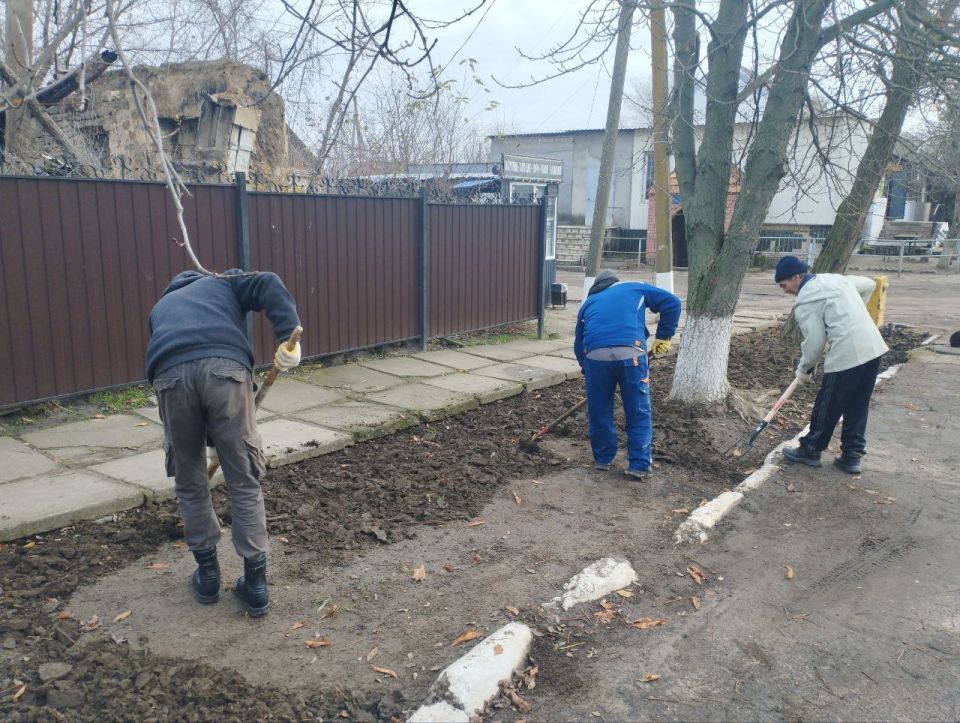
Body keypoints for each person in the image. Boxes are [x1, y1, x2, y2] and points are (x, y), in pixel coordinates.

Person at [146, 270, 301, 616]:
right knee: (244, 480)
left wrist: (209, 440)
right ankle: (256, 586)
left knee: (189, 482)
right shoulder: (223, 281)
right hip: (225, 370)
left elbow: (186, 367)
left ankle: (208, 577)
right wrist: (287, 336)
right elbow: (268, 282)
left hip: (170, 376)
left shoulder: (160, 306)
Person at [775, 255, 887, 475]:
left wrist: (804, 370)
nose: (784, 290)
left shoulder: (806, 301)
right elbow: (869, 284)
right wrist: (851, 317)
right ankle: (851, 457)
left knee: (827, 404)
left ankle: (810, 450)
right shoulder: (836, 280)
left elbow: (814, 344)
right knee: (857, 404)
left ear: (796, 277)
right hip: (873, 347)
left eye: (784, 284)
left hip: (848, 353)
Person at [574, 269, 681, 479]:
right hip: (631, 354)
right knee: (638, 410)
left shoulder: (588, 303)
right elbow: (672, 303)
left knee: (599, 410)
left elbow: (579, 343)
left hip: (595, 358)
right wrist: (664, 336)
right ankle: (639, 466)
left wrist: (588, 370)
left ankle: (603, 460)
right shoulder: (635, 287)